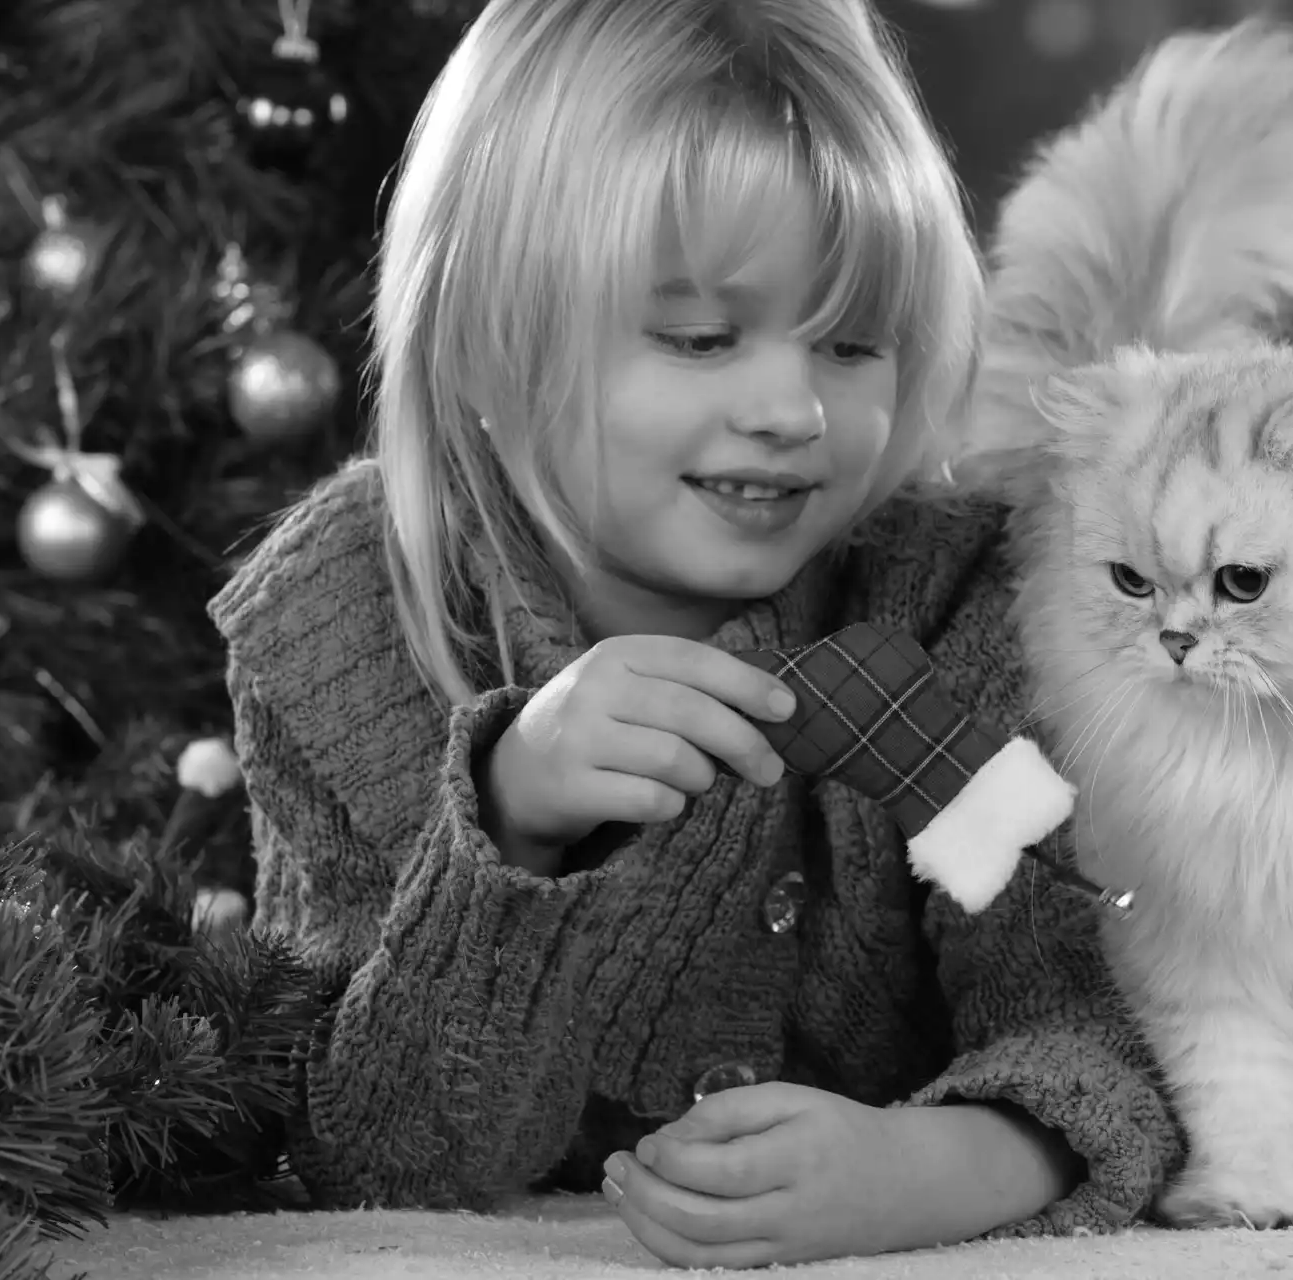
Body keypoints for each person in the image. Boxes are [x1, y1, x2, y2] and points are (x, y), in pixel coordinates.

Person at [208, 0, 1181, 1268]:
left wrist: (928, 1168)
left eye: (850, 341)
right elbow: (371, 1152)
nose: (789, 408)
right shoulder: (336, 622)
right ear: (498, 348)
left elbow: (1110, 1022)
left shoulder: (961, 601)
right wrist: (511, 826)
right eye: (699, 338)